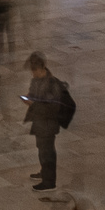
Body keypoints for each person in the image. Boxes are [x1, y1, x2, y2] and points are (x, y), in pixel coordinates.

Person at [24, 51, 74, 191]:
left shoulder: (53, 84)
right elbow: (34, 94)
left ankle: (49, 182)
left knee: (48, 151)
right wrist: (30, 96)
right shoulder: (36, 80)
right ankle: (44, 172)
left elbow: (52, 108)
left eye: (34, 71)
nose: (33, 74)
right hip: (39, 122)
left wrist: (33, 104)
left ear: (41, 69)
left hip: (48, 124)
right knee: (41, 149)